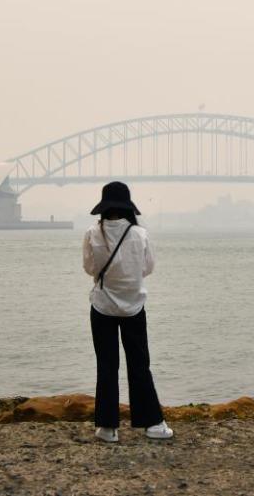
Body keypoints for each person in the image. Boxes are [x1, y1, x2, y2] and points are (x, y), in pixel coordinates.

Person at [83, 181, 173, 443]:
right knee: (139, 365)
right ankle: (152, 424)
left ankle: (108, 428)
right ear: (127, 207)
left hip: (102, 307)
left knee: (107, 366)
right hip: (134, 307)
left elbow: (89, 268)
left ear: (104, 207)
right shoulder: (139, 234)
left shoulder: (92, 234)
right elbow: (148, 268)